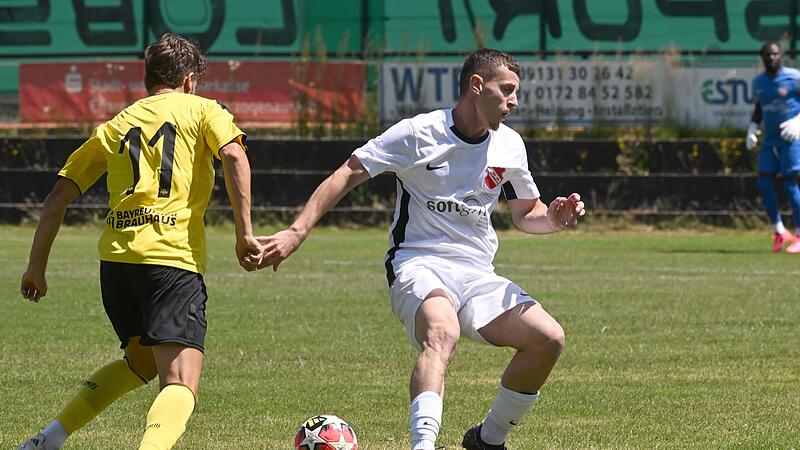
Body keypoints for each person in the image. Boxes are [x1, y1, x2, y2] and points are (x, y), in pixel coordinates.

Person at [254, 48, 585, 450]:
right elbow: (348, 172)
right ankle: (422, 446)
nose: (514, 101)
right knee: (442, 332)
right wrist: (296, 231)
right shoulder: (417, 132)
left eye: (517, 92)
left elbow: (525, 212)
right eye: (507, 90)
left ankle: (488, 439)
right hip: (418, 261)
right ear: (477, 86)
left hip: (478, 273)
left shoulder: (510, 145)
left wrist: (553, 218)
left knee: (548, 338)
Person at [18, 33, 261, 450]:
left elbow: (58, 197)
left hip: (117, 265)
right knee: (181, 382)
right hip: (171, 262)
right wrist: (244, 235)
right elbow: (235, 156)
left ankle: (48, 439)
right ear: (188, 80)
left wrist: (35, 267)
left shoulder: (116, 124)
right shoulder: (204, 110)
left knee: (139, 364)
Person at [746, 41, 800, 253]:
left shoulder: (794, 77)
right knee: (764, 184)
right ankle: (779, 231)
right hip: (770, 141)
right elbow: (760, 107)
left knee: (790, 186)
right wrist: (751, 127)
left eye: (776, 54)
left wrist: (798, 122)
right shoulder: (759, 82)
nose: (772, 58)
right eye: (768, 55)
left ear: (781, 56)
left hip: (791, 139)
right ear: (762, 57)